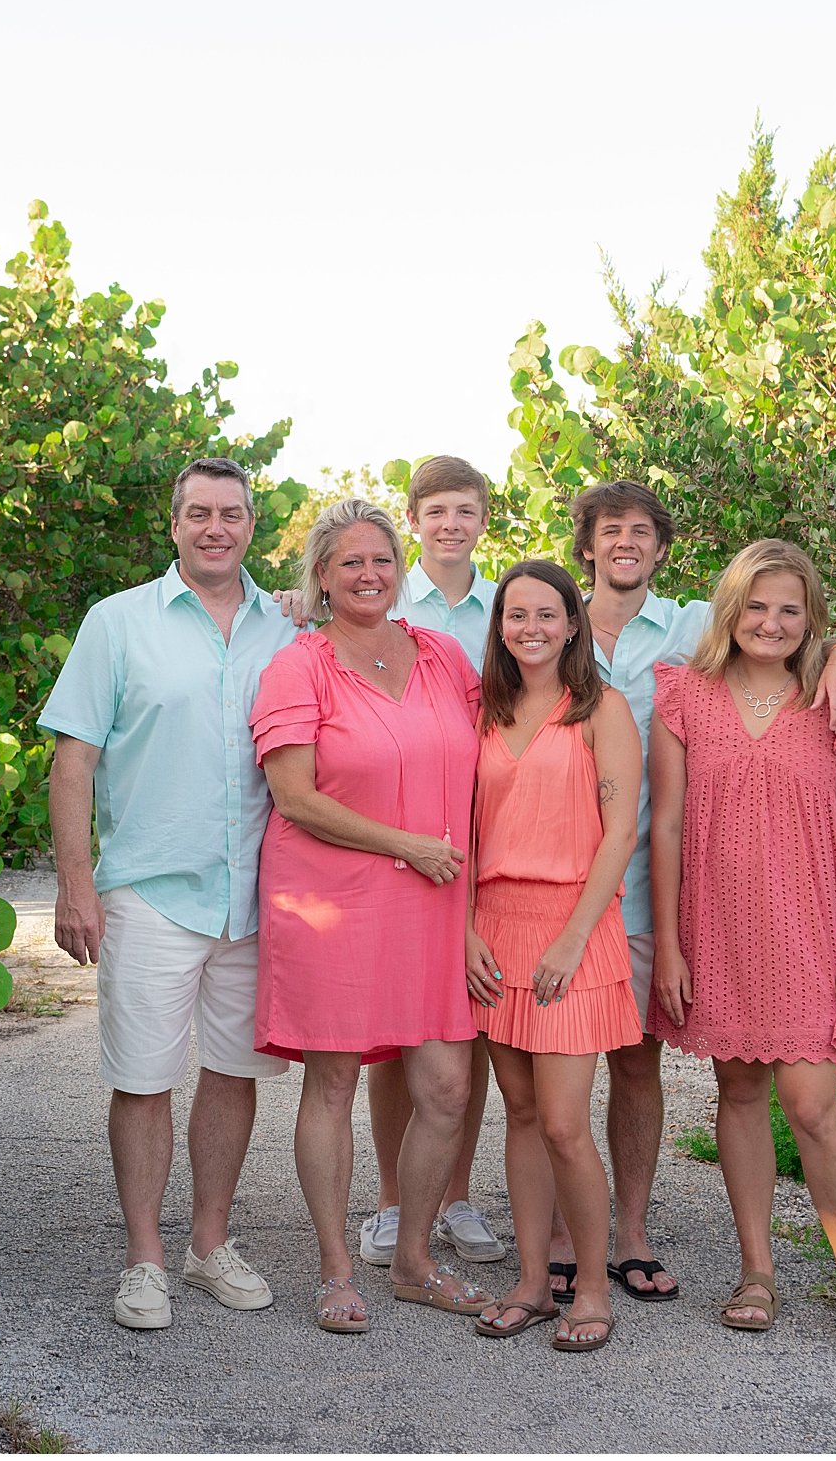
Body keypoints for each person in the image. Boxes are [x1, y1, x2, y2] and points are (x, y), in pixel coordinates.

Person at [538, 481, 836, 1306]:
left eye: (642, 531)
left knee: (700, 1077)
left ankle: (641, 1236)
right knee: (550, 1075)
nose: (769, 622)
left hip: (725, 909)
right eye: (610, 530)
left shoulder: (696, 636)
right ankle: (560, 1235)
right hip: (583, 893)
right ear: (585, 544)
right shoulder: (545, 621)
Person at [38, 457, 294, 1331]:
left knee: (233, 1074)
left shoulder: (290, 630)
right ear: (174, 524)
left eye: (231, 513)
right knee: (143, 1079)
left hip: (258, 893)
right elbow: (74, 759)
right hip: (150, 887)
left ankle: (209, 1244)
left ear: (253, 524)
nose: (215, 527)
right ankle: (144, 1257)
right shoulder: (116, 624)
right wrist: (77, 883)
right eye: (198, 513)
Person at [251, 499, 491, 1334]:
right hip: (331, 906)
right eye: (349, 563)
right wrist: (408, 844)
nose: (368, 576)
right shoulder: (299, 666)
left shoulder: (444, 654)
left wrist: (465, 905)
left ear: (402, 568)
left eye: (381, 561)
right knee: (335, 1082)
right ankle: (335, 1269)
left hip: (433, 905)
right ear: (320, 575)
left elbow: (507, 740)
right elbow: (294, 796)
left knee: (448, 1087)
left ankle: (414, 1261)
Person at [649, 538, 836, 1352]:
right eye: (756, 606)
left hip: (809, 929)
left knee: (814, 1106)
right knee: (741, 1094)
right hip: (717, 927)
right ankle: (756, 1270)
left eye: (790, 608)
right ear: (730, 611)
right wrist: (675, 945)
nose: (772, 622)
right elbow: (669, 826)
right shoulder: (686, 697)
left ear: (811, 616)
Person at [461, 561, 644, 1353]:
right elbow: (463, 829)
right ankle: (533, 1283)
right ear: (499, 626)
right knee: (523, 1113)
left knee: (566, 1123)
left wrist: (573, 937)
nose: (529, 627)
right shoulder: (483, 709)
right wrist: (465, 924)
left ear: (574, 623)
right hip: (495, 927)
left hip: (575, 928)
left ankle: (593, 1288)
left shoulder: (603, 709)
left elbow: (621, 834)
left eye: (546, 613)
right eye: (514, 615)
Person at [359, 455, 504, 1270]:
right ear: (412, 519)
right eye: (436, 511)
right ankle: (389, 1200)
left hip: (483, 821)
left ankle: (455, 1197)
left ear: (485, 518)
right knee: (397, 1033)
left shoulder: (506, 604)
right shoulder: (383, 591)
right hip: (398, 835)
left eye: (466, 510)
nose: (451, 523)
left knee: (463, 1027)